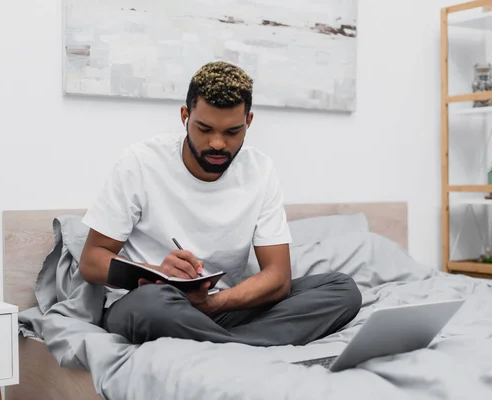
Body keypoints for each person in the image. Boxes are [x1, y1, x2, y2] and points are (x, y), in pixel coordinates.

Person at [79, 61, 362, 347]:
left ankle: (226, 345)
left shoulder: (260, 171)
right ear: (184, 116)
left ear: (248, 122)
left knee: (342, 289)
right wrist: (157, 273)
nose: (217, 143)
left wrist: (213, 304)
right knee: (151, 304)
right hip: (152, 303)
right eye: (204, 129)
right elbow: (91, 261)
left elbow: (278, 277)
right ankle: (241, 346)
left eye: (232, 132)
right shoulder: (140, 163)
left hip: (221, 308)